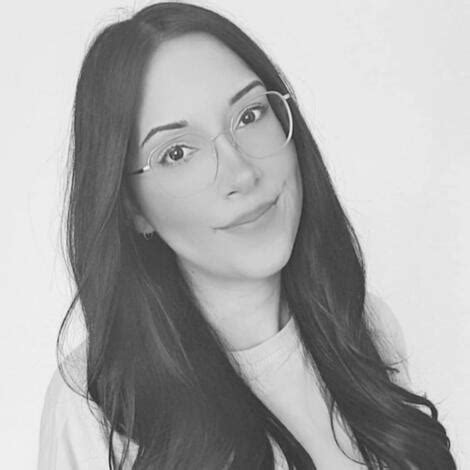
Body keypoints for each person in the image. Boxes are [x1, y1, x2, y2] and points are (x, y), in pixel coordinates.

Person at [37, 2, 457, 469]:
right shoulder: (94, 409)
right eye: (177, 152)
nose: (241, 172)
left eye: (250, 115)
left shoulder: (365, 326)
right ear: (133, 208)